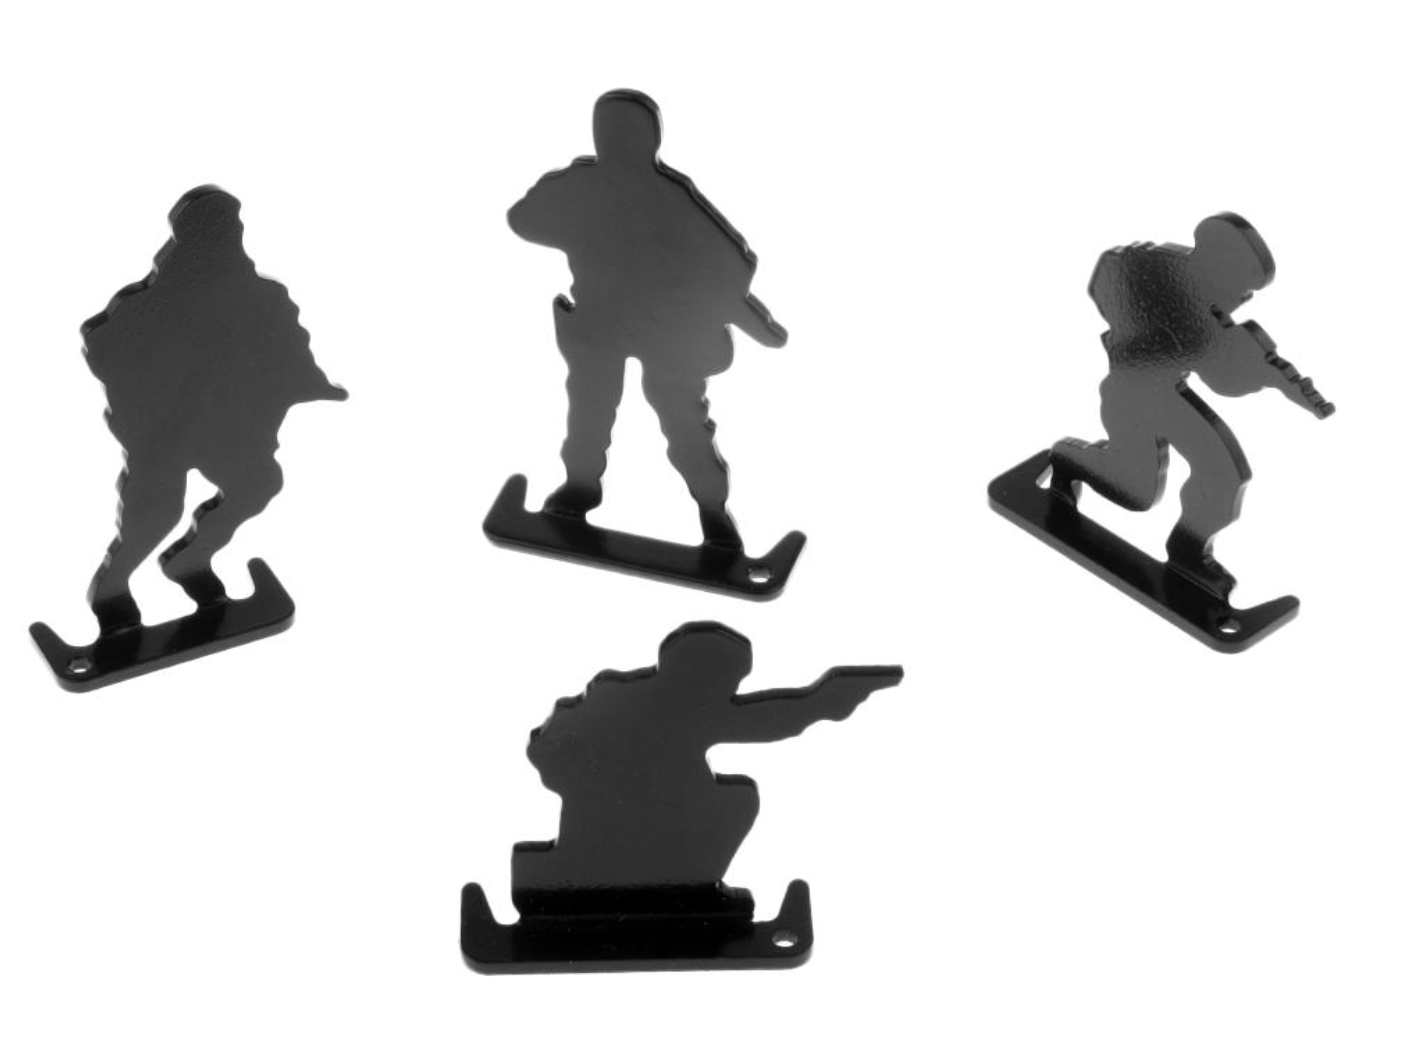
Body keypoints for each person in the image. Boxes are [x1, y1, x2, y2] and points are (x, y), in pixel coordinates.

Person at [508, 89, 786, 550]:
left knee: (682, 420)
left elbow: (728, 268)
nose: (615, 143)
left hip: (665, 333)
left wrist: (745, 316)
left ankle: (714, 515)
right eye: (609, 133)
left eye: (625, 134)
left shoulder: (669, 199)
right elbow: (523, 220)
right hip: (600, 326)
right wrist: (570, 204)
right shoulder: (583, 187)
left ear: (648, 141)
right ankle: (578, 491)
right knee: (590, 411)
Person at [83, 186, 346, 632]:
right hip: (162, 432)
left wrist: (313, 383)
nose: (229, 237)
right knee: (156, 514)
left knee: (257, 483)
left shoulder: (262, 296)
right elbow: (102, 346)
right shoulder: (144, 306)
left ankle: (190, 560)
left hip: (225, 429)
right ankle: (114, 591)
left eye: (232, 228)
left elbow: (288, 345)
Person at [511, 622, 900, 905]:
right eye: (731, 679)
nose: (732, 690)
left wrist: (821, 702)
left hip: (644, 809)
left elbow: (766, 718)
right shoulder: (646, 702)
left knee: (732, 800)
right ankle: (681, 890)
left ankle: (685, 888)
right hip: (615, 814)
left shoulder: (665, 700)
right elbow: (767, 719)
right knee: (733, 803)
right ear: (697, 674)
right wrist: (821, 703)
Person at [1050, 213, 1333, 597]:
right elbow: (1106, 277)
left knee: (1225, 477)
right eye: (1242, 285)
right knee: (1136, 493)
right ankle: (1068, 460)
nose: (1243, 297)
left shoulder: (1209, 316)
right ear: (1218, 262)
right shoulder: (1152, 267)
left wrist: (1270, 376)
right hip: (1129, 396)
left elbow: (1223, 378)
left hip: (1167, 396)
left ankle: (1188, 551)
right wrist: (1142, 328)